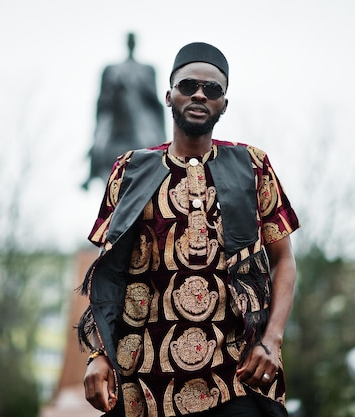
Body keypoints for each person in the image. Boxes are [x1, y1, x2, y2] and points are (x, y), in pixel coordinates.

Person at [77, 42, 300, 417]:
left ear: (224, 104)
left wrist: (272, 340)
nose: (199, 94)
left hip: (234, 379)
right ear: (168, 96)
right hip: (142, 387)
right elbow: (108, 274)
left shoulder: (253, 166)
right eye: (188, 86)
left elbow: (284, 262)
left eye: (212, 89)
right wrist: (99, 354)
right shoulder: (128, 170)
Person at [83, 32, 166, 190]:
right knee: (99, 143)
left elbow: (154, 99)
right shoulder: (110, 69)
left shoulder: (147, 69)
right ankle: (90, 173)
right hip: (113, 111)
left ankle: (163, 164)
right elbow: (101, 98)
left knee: (152, 138)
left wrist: (136, 87)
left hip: (141, 113)